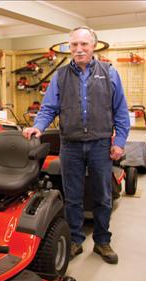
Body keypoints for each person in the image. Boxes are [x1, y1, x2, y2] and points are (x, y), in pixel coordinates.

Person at [23, 26, 130, 264]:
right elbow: (49, 107)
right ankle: (75, 240)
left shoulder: (109, 72)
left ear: (93, 45)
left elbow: (121, 112)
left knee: (102, 196)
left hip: (101, 144)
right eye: (74, 45)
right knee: (72, 197)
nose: (79, 49)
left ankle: (102, 241)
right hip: (70, 145)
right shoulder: (60, 76)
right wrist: (38, 126)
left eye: (84, 44)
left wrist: (120, 141)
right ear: (69, 47)